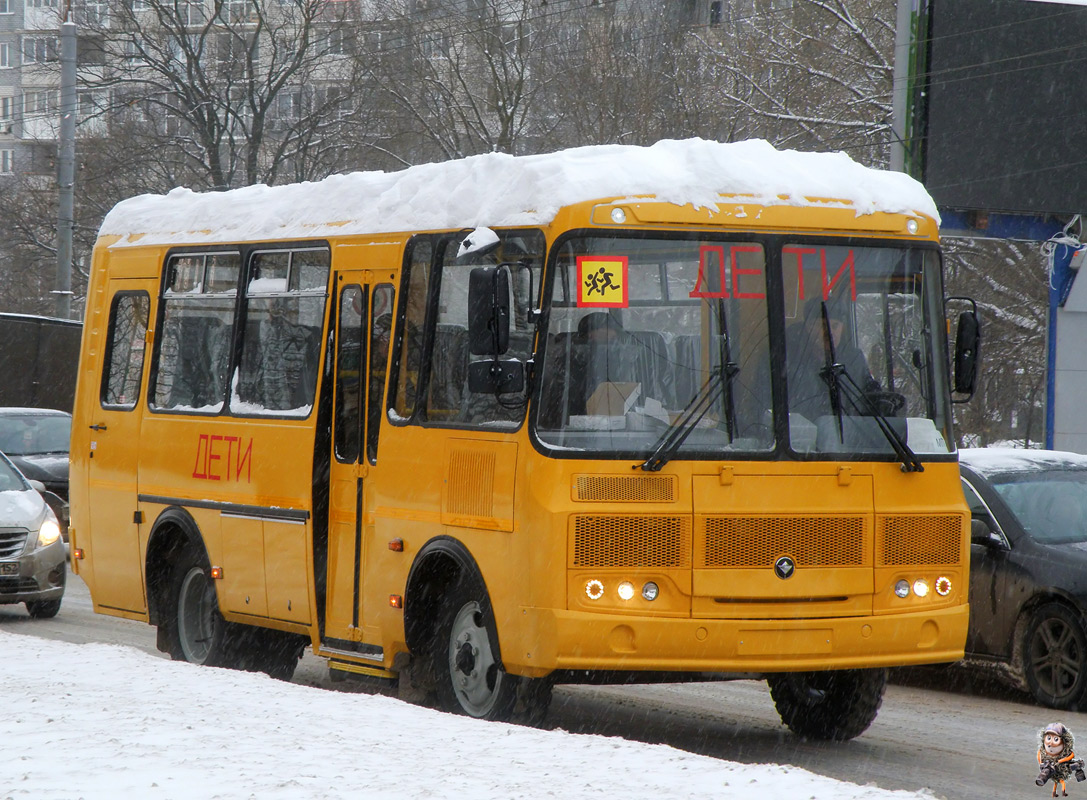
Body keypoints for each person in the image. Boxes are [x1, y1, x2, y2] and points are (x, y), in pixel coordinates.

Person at [785, 297, 880, 421]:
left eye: (835, 326)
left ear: (842, 328)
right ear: (809, 327)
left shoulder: (854, 360)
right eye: (822, 326)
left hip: (848, 435)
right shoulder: (789, 362)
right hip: (803, 437)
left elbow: (870, 398)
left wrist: (881, 402)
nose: (830, 332)